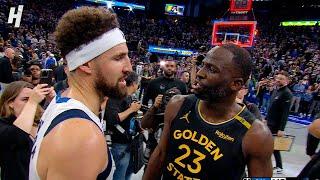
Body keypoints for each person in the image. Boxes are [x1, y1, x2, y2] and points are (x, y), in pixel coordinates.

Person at [29, 7, 132, 180]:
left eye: (127, 57)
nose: (128, 67)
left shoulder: (62, 99)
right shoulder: (81, 136)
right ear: (85, 64)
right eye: (118, 58)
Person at [143, 44, 273, 180]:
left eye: (212, 69)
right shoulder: (177, 104)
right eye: (203, 65)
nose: (200, 73)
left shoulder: (257, 135)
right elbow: (160, 155)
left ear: (236, 84)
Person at [0, 81, 55, 180]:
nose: (30, 102)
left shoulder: (42, 121)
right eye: (25, 99)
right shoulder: (3, 125)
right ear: (10, 103)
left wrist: (53, 102)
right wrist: (33, 101)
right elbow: (17, 136)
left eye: (33, 99)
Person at [104, 72, 141, 180]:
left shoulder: (129, 97)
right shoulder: (116, 97)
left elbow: (130, 119)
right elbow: (112, 119)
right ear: (134, 84)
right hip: (120, 143)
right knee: (120, 173)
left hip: (129, 141)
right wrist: (131, 110)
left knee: (128, 171)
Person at [265, 71, 293, 174]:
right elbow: (272, 106)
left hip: (276, 125)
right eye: (277, 78)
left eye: (281, 79)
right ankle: (277, 165)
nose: (278, 80)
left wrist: (281, 129)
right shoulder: (276, 91)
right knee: (271, 146)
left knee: (274, 146)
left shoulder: (287, 94)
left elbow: (285, 113)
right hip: (270, 122)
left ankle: (279, 166)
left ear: (287, 81)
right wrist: (266, 118)